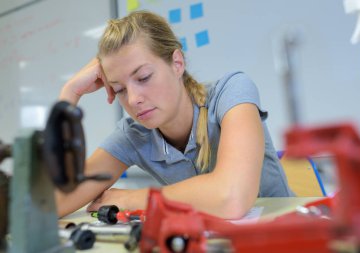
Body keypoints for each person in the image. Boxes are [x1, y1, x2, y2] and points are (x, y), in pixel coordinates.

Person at [56, 10, 293, 219]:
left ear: (177, 63)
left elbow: (232, 196)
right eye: (119, 89)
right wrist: (70, 94)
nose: (133, 99)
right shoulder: (134, 135)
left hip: (287, 237)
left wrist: (133, 199)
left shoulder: (231, 92)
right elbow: (53, 204)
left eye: (144, 77)